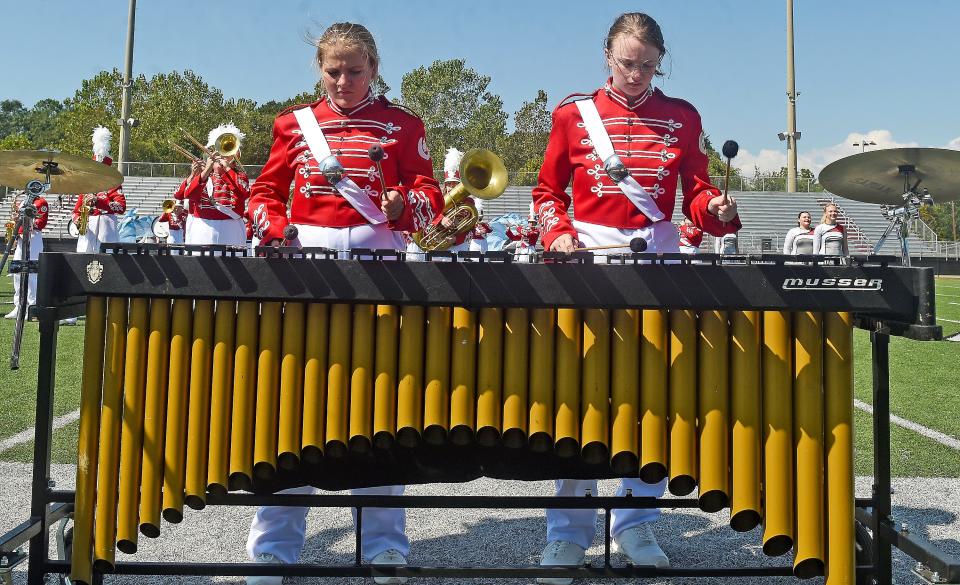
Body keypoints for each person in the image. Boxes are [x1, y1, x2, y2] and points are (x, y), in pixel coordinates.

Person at [531, 12, 741, 582]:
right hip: (586, 265)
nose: (636, 74)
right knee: (578, 400)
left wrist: (714, 210)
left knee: (654, 398)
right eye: (627, 62)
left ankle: (634, 522)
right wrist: (559, 233)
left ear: (659, 62)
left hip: (658, 263)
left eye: (647, 65)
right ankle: (567, 531)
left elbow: (697, 192)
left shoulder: (681, 116)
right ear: (607, 56)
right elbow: (547, 191)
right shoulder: (573, 115)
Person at [244, 22, 445, 585]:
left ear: (375, 69)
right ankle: (273, 548)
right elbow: (263, 193)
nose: (342, 82)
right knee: (295, 407)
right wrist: (277, 227)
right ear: (319, 70)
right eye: (332, 71)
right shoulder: (294, 124)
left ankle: (384, 545)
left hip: (381, 271)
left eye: (354, 71)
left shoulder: (404, 125)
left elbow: (429, 198)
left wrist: (407, 202)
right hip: (305, 272)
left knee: (379, 408)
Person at [178, 124, 250, 245]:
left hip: (231, 227)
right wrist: (205, 171)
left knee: (233, 262)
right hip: (203, 227)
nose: (223, 156)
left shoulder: (239, 175)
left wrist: (227, 170)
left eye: (227, 152)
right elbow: (188, 194)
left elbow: (244, 193)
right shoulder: (204, 176)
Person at [405, 147, 476, 259]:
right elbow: (425, 213)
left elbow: (471, 229)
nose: (451, 187)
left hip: (456, 247)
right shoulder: (436, 197)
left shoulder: (468, 202)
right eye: (449, 183)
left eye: (455, 184)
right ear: (445, 185)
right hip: (434, 244)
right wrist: (441, 219)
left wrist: (456, 239)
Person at [74, 126, 126, 253]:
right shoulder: (86, 185)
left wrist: (99, 201)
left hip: (106, 226)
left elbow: (121, 207)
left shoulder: (113, 184)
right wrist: (77, 219)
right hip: (87, 228)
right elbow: (76, 210)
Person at [4, 193, 48, 320]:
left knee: (32, 272)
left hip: (33, 237)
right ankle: (18, 306)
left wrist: (24, 222)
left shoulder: (41, 202)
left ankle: (32, 306)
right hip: (21, 237)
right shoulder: (24, 201)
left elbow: (41, 222)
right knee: (17, 272)